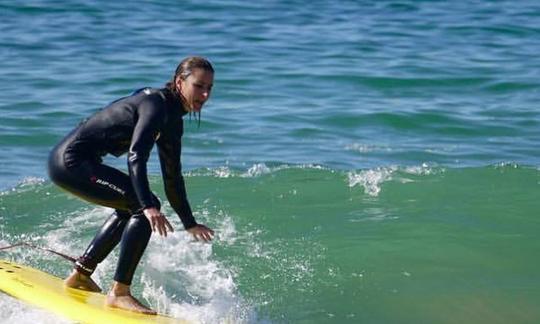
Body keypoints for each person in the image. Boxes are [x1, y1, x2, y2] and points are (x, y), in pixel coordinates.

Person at [48, 56, 215, 315]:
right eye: (199, 86)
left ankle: (81, 275)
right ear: (179, 82)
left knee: (132, 205)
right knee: (141, 205)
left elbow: (173, 176)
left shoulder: (173, 120)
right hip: (70, 162)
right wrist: (147, 206)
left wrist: (189, 221)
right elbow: (136, 155)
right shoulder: (157, 105)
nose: (204, 94)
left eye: (209, 88)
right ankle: (119, 292)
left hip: (80, 162)